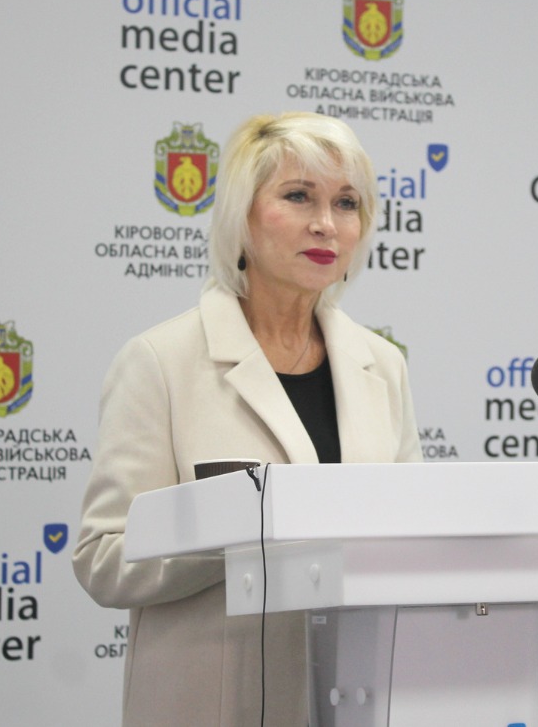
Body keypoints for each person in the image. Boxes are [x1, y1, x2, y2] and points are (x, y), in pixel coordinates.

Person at [72, 111, 423, 726]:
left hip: (358, 697)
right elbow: (103, 559)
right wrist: (244, 537)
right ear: (241, 216)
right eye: (298, 196)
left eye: (346, 203)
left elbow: (411, 534)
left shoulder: (382, 365)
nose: (326, 223)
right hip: (210, 706)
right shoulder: (160, 361)